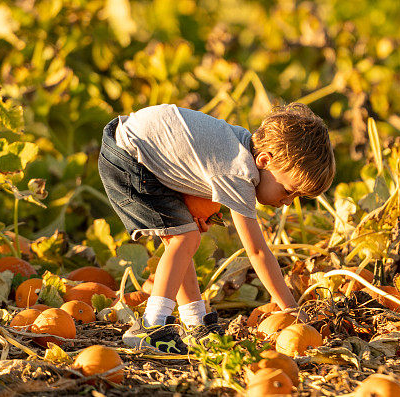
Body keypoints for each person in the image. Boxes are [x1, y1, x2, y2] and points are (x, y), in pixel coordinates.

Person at [97, 103, 335, 354]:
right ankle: (151, 326)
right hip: (130, 157)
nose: (287, 202)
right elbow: (257, 252)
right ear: (264, 160)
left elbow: (190, 157)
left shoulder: (241, 144)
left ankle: (195, 323)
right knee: (185, 240)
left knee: (183, 238)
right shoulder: (241, 171)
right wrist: (289, 308)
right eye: (288, 191)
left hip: (134, 144)